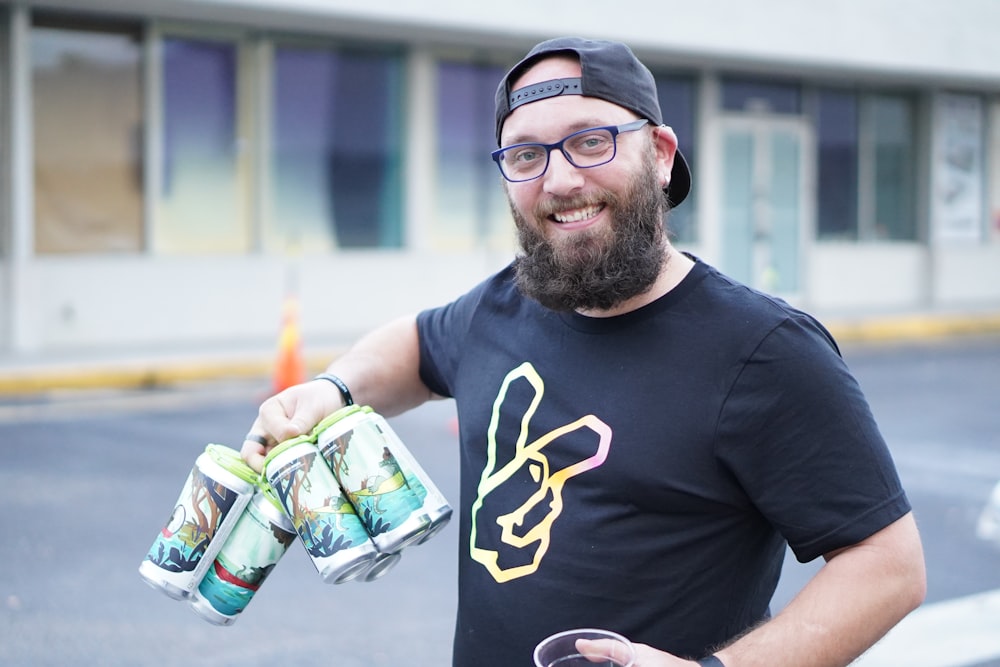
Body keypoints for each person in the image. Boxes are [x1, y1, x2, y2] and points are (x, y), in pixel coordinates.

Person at [241, 36, 926, 667]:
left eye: (591, 141)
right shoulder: (504, 304)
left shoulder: (764, 351)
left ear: (660, 154)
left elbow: (888, 563)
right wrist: (333, 389)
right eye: (526, 155)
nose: (560, 179)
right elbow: (418, 342)